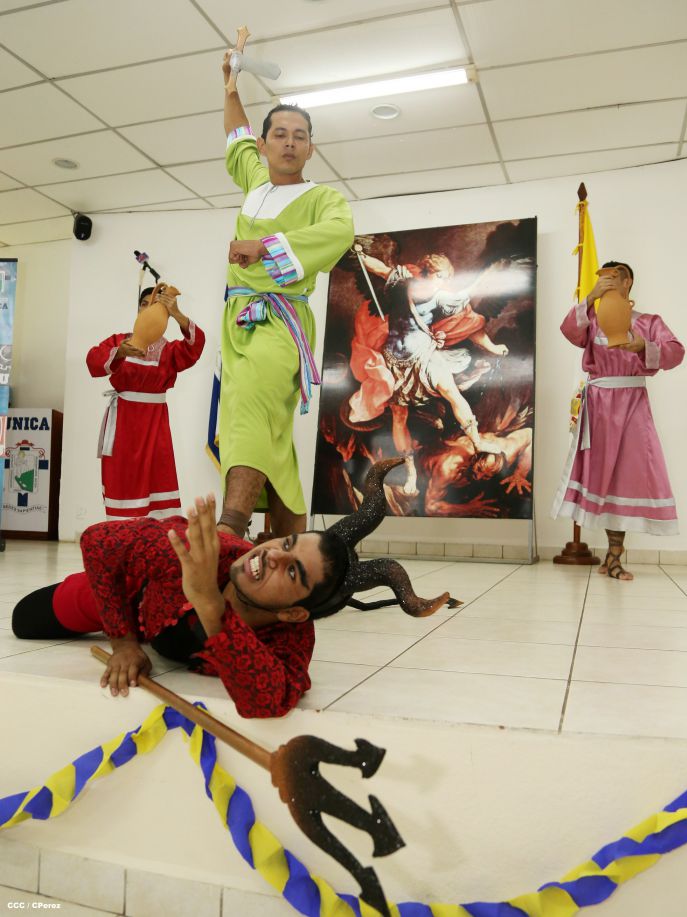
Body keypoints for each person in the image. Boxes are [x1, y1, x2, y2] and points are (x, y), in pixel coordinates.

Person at [11, 459, 449, 718]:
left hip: (173, 634)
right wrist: (123, 641)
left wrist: (208, 605)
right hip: (134, 601)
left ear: (294, 613)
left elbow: (270, 699)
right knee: (24, 621)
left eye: (292, 574)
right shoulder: (203, 550)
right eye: (287, 543)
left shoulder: (291, 636)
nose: (272, 556)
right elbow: (97, 541)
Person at [217, 50, 355, 540]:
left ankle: (230, 530)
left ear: (311, 148)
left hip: (280, 321)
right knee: (263, 425)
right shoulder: (254, 183)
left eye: (300, 135)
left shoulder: (323, 198)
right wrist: (231, 87)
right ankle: (287, 539)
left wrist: (265, 247)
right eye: (279, 134)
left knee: (251, 409)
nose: (290, 142)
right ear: (265, 144)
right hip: (237, 323)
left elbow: (339, 233)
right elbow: (236, 137)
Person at [551, 261, 684, 580]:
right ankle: (611, 558)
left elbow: (676, 352)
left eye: (614, 277)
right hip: (598, 407)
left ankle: (614, 556)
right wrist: (589, 298)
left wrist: (644, 346)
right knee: (603, 478)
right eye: (603, 278)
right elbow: (569, 331)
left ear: (628, 282)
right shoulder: (592, 320)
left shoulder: (648, 322)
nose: (607, 282)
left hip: (633, 405)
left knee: (626, 476)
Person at [349, 253, 509, 494]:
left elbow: (468, 307)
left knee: (452, 393)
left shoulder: (441, 297)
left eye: (447, 278)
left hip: (426, 357)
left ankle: (477, 443)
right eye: (441, 276)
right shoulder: (401, 282)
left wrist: (486, 277)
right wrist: (361, 255)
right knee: (399, 416)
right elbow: (379, 268)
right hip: (395, 363)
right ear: (427, 273)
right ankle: (410, 472)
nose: (444, 282)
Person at [86, 286, 205, 519]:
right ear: (138, 309)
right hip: (124, 424)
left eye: (157, 305)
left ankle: (158, 536)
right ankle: (122, 534)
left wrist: (177, 313)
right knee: (123, 476)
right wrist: (119, 353)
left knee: (158, 476)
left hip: (155, 425)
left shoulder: (169, 350)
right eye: (144, 304)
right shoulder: (120, 341)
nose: (149, 309)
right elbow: (92, 360)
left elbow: (195, 345)